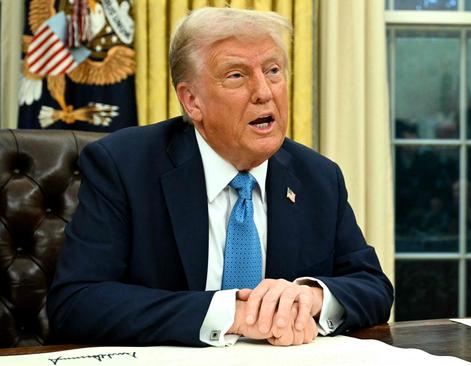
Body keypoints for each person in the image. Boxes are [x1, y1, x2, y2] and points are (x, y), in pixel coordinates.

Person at [47, 7, 393, 347]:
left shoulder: (318, 177)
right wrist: (231, 314)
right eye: (236, 76)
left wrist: (312, 297)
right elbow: (77, 302)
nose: (264, 91)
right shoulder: (124, 166)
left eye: (273, 70)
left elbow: (373, 287)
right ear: (192, 101)